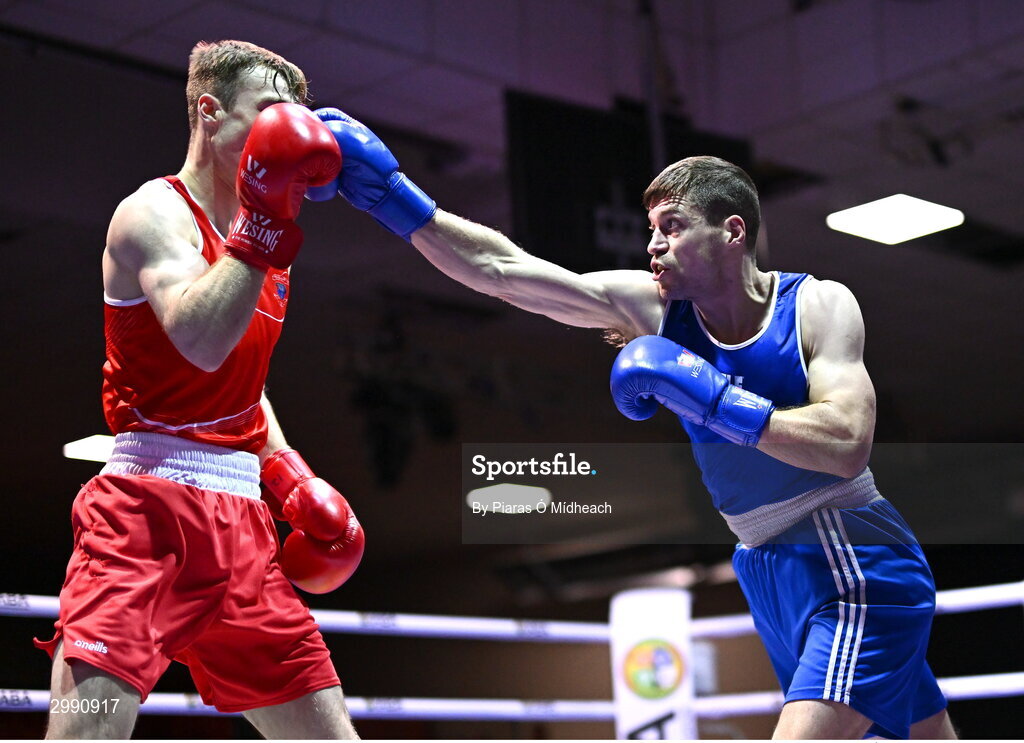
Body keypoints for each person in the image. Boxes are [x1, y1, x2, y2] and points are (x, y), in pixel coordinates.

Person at [307, 109, 957, 740]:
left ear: (732, 232)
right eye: (652, 227)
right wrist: (394, 199)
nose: (652, 244)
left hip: (849, 551)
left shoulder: (816, 304)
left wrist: (716, 400)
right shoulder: (656, 309)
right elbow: (504, 272)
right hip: (766, 562)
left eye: (672, 226)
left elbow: (847, 445)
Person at [36, 42, 364, 739]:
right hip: (142, 521)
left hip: (242, 528)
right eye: (272, 112)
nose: (293, 134)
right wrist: (262, 224)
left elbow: (245, 383)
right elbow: (201, 340)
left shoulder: (263, 240)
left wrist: (290, 476)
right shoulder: (151, 213)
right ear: (209, 113)